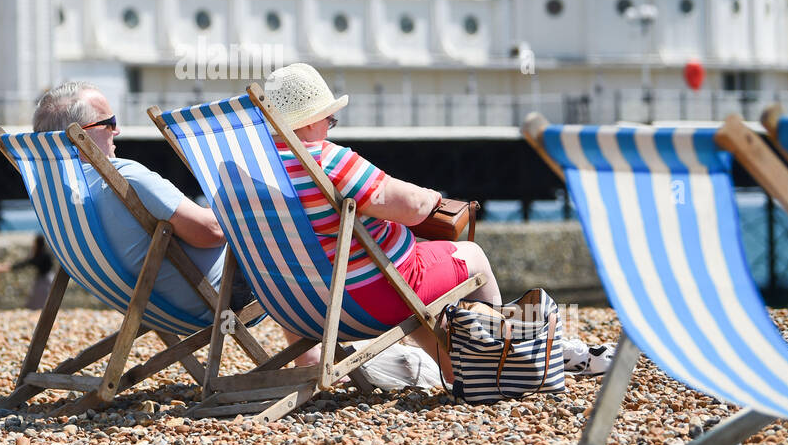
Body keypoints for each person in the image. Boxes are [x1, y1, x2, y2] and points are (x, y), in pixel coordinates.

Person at [262, 63, 612, 383]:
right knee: (470, 256)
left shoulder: (249, 174)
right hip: (369, 301)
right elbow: (412, 208)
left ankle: (317, 363)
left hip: (298, 306)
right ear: (309, 121)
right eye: (329, 120)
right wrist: (431, 195)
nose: (329, 127)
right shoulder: (323, 158)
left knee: (413, 293)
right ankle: (497, 359)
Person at [31, 82, 236, 319]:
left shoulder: (50, 189)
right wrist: (233, 201)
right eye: (110, 123)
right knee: (287, 248)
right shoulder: (123, 177)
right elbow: (211, 232)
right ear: (80, 135)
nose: (117, 131)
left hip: (148, 305)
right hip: (213, 296)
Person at [14, 234, 57, 310]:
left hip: (46, 279)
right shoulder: (43, 253)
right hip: (45, 278)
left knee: (41, 297)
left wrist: (8, 267)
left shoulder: (42, 255)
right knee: (38, 297)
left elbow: (27, 262)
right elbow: (26, 262)